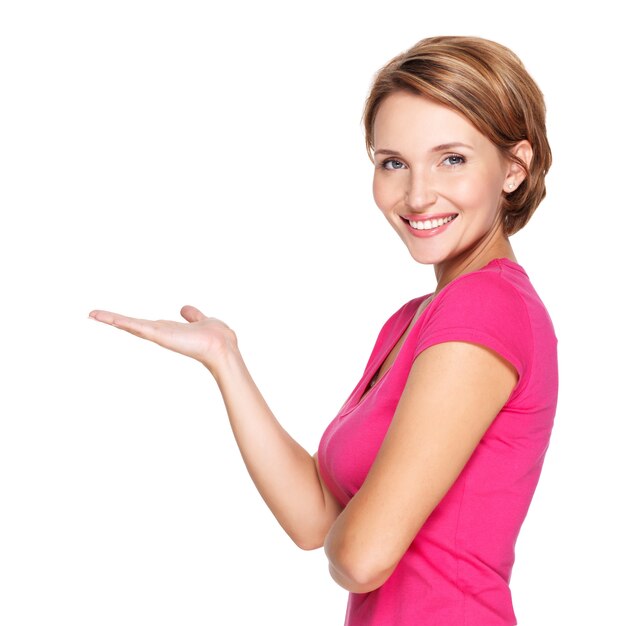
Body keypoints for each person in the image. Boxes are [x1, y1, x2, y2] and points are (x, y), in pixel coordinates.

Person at [89, 35, 558, 626]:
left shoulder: (484, 305)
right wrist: (224, 359)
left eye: (452, 158)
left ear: (513, 168)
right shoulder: (414, 319)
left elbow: (361, 559)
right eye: (393, 162)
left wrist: (356, 535)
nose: (416, 194)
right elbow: (316, 519)